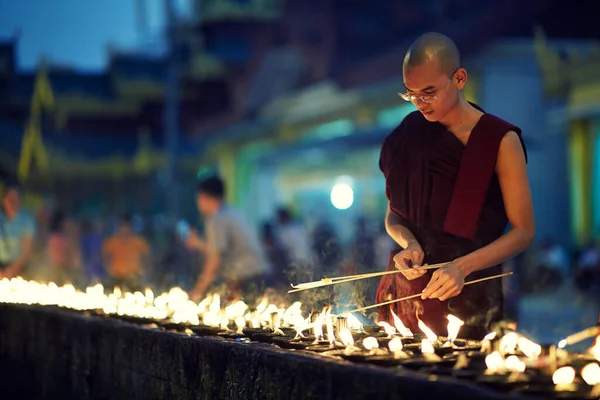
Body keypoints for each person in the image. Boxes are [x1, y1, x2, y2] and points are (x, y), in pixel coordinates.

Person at [375, 32, 535, 339]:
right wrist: (407, 243)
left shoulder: (498, 140)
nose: (419, 103)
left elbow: (523, 232)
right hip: (405, 292)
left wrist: (461, 268)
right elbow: (393, 215)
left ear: (459, 78)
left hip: (470, 295)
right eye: (411, 94)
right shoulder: (407, 134)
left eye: (429, 92)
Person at [185, 176, 270, 302]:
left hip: (246, 279)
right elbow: (223, 248)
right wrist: (198, 244)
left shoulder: (216, 219)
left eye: (198, 198)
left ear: (204, 197)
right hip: (260, 274)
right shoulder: (232, 212)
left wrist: (197, 292)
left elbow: (214, 260)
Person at [102, 214, 150, 291]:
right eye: (122, 226)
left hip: (134, 278)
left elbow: (146, 258)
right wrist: (109, 270)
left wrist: (144, 273)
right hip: (116, 278)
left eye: (127, 226)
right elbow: (105, 257)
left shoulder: (139, 242)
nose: (124, 229)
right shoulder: (112, 242)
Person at [0, 178, 35, 279]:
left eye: (15, 197)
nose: (12, 201)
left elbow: (26, 252)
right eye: (9, 197)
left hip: (20, 270)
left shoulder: (27, 221)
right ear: (4, 199)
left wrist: (11, 271)